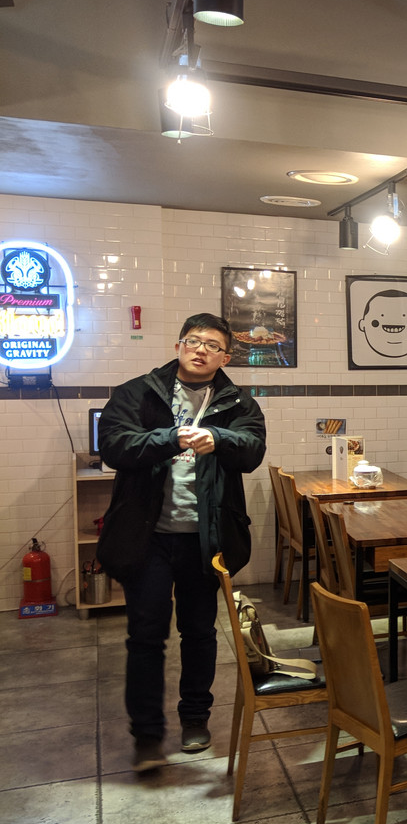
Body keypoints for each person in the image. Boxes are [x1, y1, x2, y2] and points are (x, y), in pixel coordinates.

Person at [97, 313, 267, 772]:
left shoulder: (237, 401)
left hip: (205, 538)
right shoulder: (137, 392)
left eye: (212, 345)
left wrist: (219, 437)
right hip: (147, 538)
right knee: (145, 636)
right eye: (193, 341)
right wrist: (170, 438)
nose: (201, 350)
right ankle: (147, 734)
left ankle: (195, 719)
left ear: (225, 357)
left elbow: (253, 449)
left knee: (199, 632)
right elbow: (113, 446)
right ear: (178, 346)